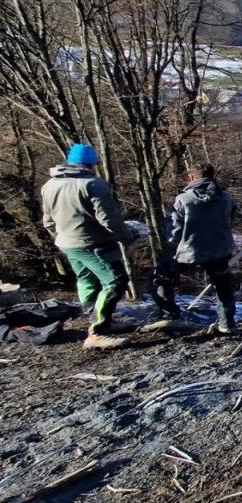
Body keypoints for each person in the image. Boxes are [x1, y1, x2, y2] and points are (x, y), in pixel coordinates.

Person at [41, 143, 137, 349]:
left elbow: (48, 221)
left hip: (67, 243)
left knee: (87, 280)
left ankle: (99, 319)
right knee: (115, 281)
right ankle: (98, 331)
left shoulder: (50, 185)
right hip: (93, 244)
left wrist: (63, 237)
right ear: (92, 164)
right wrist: (127, 239)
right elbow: (109, 220)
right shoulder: (93, 185)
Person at [153, 163, 239, 335]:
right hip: (219, 249)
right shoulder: (225, 198)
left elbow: (174, 230)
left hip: (189, 251)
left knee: (161, 278)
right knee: (223, 285)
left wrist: (171, 246)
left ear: (192, 177)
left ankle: (170, 316)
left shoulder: (183, 199)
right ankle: (227, 323)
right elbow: (231, 219)